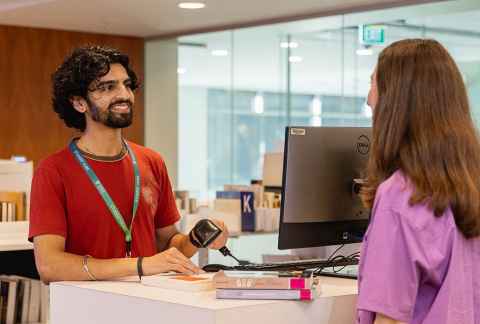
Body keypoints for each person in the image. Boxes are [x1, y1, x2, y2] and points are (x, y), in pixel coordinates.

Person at [29, 45, 228, 283]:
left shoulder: (151, 161)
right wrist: (139, 265)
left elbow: (167, 243)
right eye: (107, 87)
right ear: (79, 103)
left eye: (127, 85)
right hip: (87, 309)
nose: (124, 94)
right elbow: (49, 266)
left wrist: (195, 239)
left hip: (152, 302)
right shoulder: (53, 170)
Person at [356, 38, 480, 324]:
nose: (368, 98)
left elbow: (390, 318)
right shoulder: (470, 187)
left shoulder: (400, 196)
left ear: (397, 100)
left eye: (374, 84)